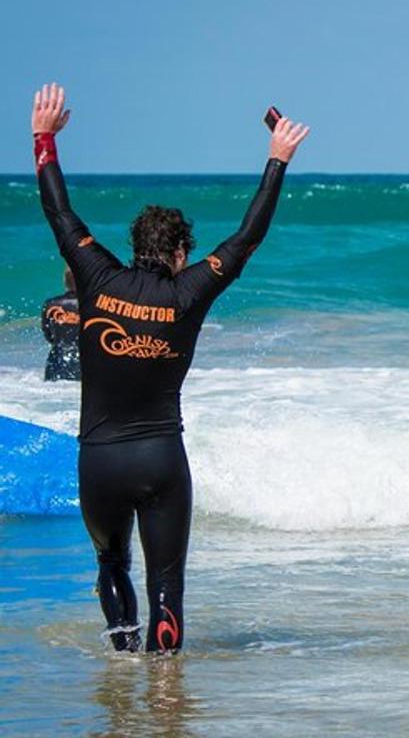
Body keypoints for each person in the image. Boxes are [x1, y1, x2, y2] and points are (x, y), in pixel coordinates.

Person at [32, 82, 309, 652]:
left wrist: (44, 139)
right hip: (160, 459)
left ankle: (124, 659)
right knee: (167, 584)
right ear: (182, 253)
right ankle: (164, 688)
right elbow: (247, 237)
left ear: (135, 246)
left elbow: (59, 213)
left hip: (100, 461)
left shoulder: (96, 275)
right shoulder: (189, 292)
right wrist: (276, 161)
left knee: (112, 563)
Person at [40, 266, 81, 381]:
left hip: (56, 365)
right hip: (84, 366)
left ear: (65, 282)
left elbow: (49, 336)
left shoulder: (50, 304)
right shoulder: (92, 305)